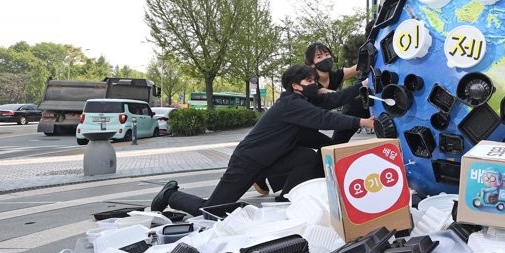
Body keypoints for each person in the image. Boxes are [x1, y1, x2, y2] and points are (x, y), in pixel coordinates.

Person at [151, 64, 375, 216]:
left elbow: (334, 99)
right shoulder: (291, 104)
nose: (314, 84)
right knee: (213, 210)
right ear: (295, 85)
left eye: (315, 80)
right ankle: (170, 193)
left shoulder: (304, 100)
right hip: (248, 161)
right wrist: (364, 123)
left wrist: (362, 85)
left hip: (271, 161)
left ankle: (287, 200)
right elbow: (325, 118)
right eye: (309, 80)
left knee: (306, 157)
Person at [252, 42, 369, 195]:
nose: (325, 58)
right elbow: (335, 98)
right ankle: (262, 176)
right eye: (319, 57)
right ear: (311, 64)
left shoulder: (334, 75)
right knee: (296, 153)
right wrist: (363, 85)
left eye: (327, 54)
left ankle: (314, 181)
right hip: (296, 125)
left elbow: (358, 66)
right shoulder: (312, 83)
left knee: (323, 146)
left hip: (311, 123)